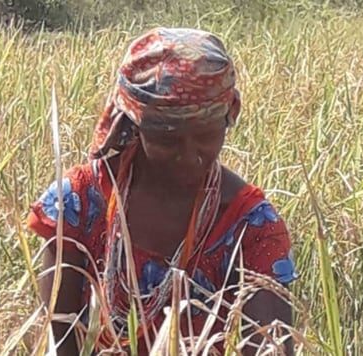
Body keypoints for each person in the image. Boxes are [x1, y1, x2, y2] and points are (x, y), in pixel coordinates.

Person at [26, 27, 298, 355]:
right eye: (167, 139)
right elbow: (61, 336)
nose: (189, 155)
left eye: (207, 135)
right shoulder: (79, 202)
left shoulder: (249, 226)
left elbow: (272, 347)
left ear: (230, 115)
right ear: (132, 126)